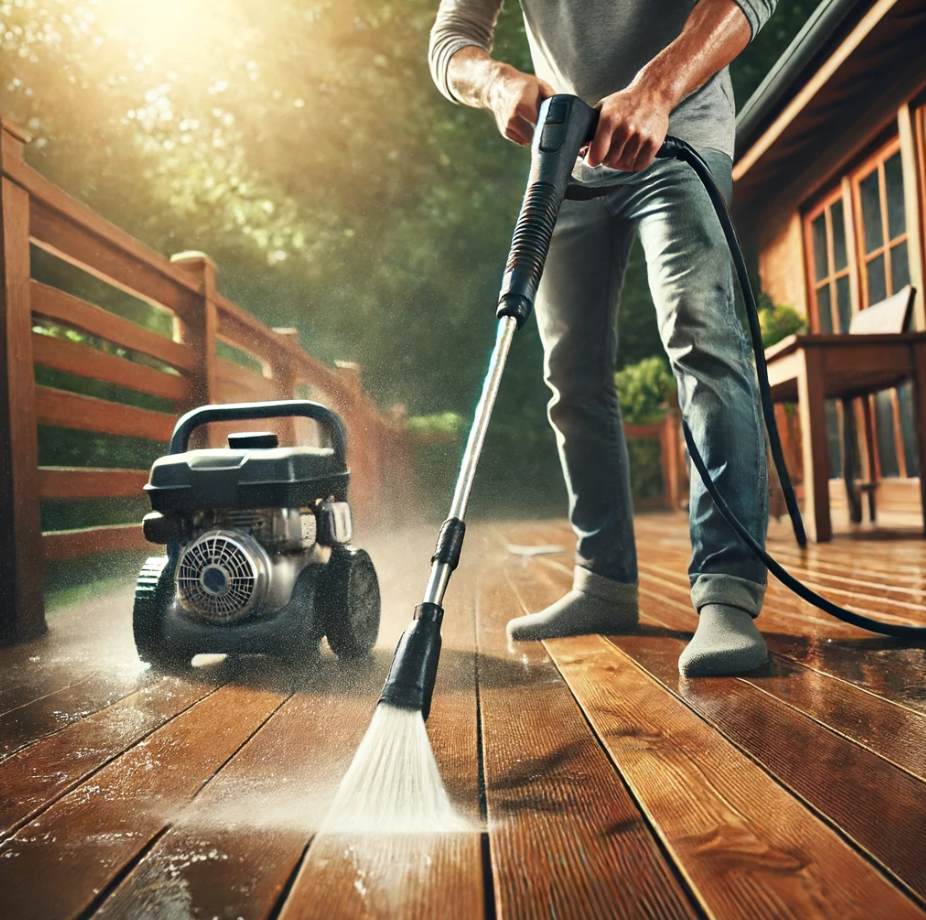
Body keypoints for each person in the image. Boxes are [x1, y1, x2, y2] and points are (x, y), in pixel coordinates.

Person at [429, 0, 777, 676]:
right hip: (569, 155)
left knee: (701, 337)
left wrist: (658, 87)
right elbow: (453, 39)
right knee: (570, 370)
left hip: (680, 133)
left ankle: (727, 594)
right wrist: (496, 82)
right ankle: (605, 581)